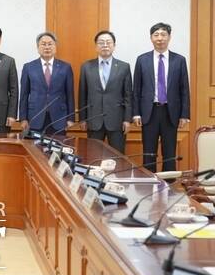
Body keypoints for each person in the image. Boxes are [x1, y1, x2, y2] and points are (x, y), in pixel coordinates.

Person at [133, 22, 190, 172]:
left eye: (163, 34)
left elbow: (184, 89)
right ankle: (149, 182)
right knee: (148, 153)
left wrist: (184, 114)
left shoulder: (179, 60)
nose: (160, 38)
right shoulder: (142, 59)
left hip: (171, 112)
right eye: (156, 35)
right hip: (149, 112)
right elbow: (136, 89)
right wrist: (136, 113)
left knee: (169, 153)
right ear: (151, 38)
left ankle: (169, 183)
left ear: (169, 37)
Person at [78, 30, 132, 153]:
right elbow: (82, 95)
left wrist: (127, 119)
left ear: (114, 45)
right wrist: (82, 119)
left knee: (118, 155)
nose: (105, 45)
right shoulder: (86, 67)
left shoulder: (124, 67)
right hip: (93, 120)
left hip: (117, 121)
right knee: (93, 155)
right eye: (101, 42)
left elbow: (128, 95)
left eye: (108, 42)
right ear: (96, 46)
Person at [19, 32, 74, 134]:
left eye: (50, 44)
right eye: (43, 44)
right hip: (35, 117)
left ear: (55, 46)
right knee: (36, 144)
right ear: (37, 47)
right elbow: (24, 95)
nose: (47, 47)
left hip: (59, 118)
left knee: (58, 144)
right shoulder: (28, 67)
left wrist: (71, 118)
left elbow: (70, 94)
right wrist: (23, 118)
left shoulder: (65, 67)